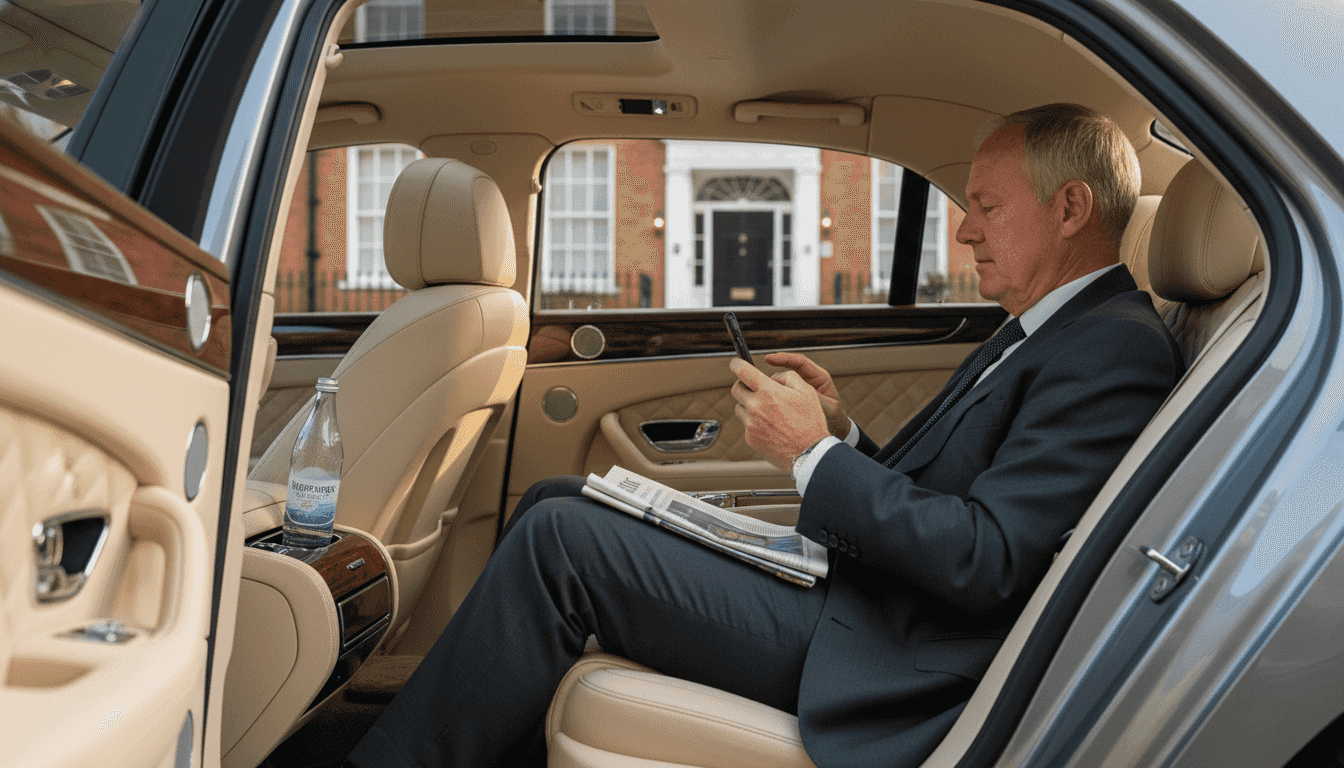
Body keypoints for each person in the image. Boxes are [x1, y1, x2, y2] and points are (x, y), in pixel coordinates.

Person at [332, 104, 1184, 768]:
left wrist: (811, 455)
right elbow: (954, 503)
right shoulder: (1044, 330)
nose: (965, 229)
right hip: (870, 602)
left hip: (893, 654)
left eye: (987, 207)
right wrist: (842, 434)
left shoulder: (1112, 349)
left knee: (561, 541)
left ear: (1070, 208)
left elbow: (988, 560)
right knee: (564, 497)